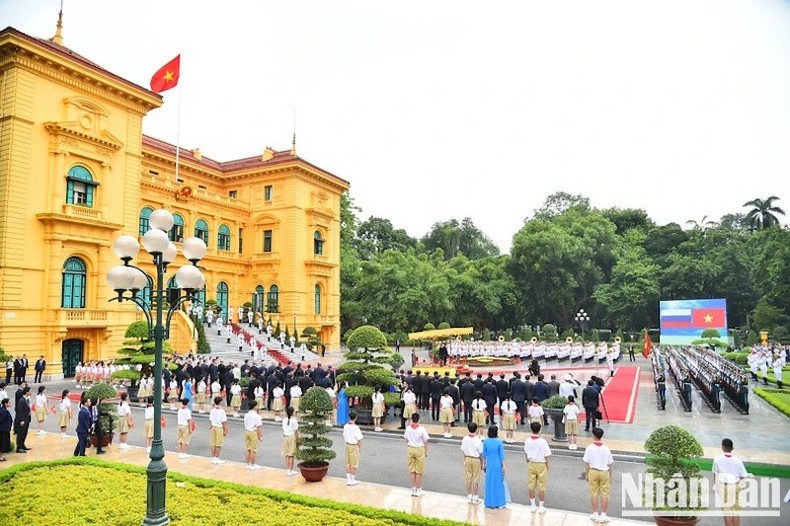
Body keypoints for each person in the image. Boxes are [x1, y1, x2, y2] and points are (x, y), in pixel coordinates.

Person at [712, 438, 748, 526]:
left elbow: (715, 474)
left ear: (722, 447)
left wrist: (716, 486)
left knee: (726, 512)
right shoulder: (738, 461)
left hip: (723, 486)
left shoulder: (717, 459)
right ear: (732, 448)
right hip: (736, 486)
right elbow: (743, 476)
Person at [583, 427, 614, 523]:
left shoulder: (589, 448)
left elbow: (587, 463)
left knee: (594, 493)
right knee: (605, 494)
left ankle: (595, 514)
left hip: (593, 471)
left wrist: (587, 474)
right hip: (604, 472)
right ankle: (604, 514)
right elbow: (610, 464)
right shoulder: (606, 449)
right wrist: (610, 476)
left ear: (593, 436)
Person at [524, 421, 551, 514]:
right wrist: (547, 465)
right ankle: (541, 506)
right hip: (541, 464)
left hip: (531, 463)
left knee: (531, 484)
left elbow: (526, 453)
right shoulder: (543, 441)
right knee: (541, 485)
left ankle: (532, 505)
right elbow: (547, 455)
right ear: (540, 430)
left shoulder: (527, 440)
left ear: (531, 429)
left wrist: (527, 461)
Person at [404, 413, 430, 497]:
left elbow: (406, 438)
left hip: (410, 448)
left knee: (412, 470)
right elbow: (426, 441)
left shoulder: (408, 428)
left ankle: (413, 488)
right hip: (419, 449)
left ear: (411, 419)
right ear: (419, 420)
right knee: (419, 471)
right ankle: (419, 490)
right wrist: (426, 452)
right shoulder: (422, 429)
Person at [482, 425, 507, 508]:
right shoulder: (499, 442)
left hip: (489, 465)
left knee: (489, 483)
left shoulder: (485, 442)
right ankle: (499, 503)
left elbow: (484, 455)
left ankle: (489, 502)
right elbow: (502, 455)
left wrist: (484, 464)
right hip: (498, 465)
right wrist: (504, 466)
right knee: (499, 484)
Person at [460, 422, 483, 503]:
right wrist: (482, 462)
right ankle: (475, 496)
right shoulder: (478, 440)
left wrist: (464, 459)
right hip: (476, 459)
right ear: (476, 429)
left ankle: (469, 496)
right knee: (476, 479)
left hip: (467, 458)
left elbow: (463, 449)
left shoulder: (465, 438)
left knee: (468, 478)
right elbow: (480, 453)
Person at [343, 410, 364, 485]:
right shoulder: (355, 427)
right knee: (354, 464)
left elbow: (344, 435)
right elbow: (359, 439)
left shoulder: (346, 426)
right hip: (354, 446)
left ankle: (348, 479)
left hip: (347, 445)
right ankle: (352, 480)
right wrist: (360, 447)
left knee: (348, 463)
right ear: (356, 418)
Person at [244, 400, 263, 470]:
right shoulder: (256, 416)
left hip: (247, 431)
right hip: (253, 432)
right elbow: (259, 427)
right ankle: (253, 464)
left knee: (247, 448)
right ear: (254, 406)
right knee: (253, 449)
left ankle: (248, 464)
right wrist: (260, 436)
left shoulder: (246, 415)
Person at [209, 396, 228, 464]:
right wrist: (225, 430)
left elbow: (211, 420)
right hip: (219, 428)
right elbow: (223, 421)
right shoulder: (222, 411)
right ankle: (217, 458)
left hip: (213, 427)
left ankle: (213, 458)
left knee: (213, 443)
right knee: (218, 444)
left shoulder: (212, 410)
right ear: (220, 402)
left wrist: (210, 426)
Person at [282, 406, 299, 476]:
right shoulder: (294, 420)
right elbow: (296, 431)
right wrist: (298, 439)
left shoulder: (284, 420)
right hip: (292, 437)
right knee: (291, 454)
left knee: (286, 454)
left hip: (285, 437)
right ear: (292, 412)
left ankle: (288, 469)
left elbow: (283, 429)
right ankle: (291, 470)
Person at [14, 386, 31, 453]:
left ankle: (22, 445)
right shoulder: (22, 400)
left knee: (24, 433)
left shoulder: (27, 399)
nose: (31, 392)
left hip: (26, 419)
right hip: (22, 420)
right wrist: (21, 420)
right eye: (30, 391)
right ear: (27, 392)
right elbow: (20, 411)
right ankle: (19, 447)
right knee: (21, 434)